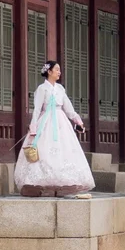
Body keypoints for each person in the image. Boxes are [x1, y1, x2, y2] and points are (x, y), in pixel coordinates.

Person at [15, 61, 94, 198]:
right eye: (57, 69)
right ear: (49, 72)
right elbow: (37, 110)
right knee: (44, 151)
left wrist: (77, 121)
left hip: (61, 122)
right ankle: (44, 184)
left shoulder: (60, 89)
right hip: (45, 122)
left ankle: (59, 185)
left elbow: (68, 108)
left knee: (64, 150)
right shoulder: (42, 89)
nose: (59, 72)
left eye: (59, 70)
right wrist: (33, 127)